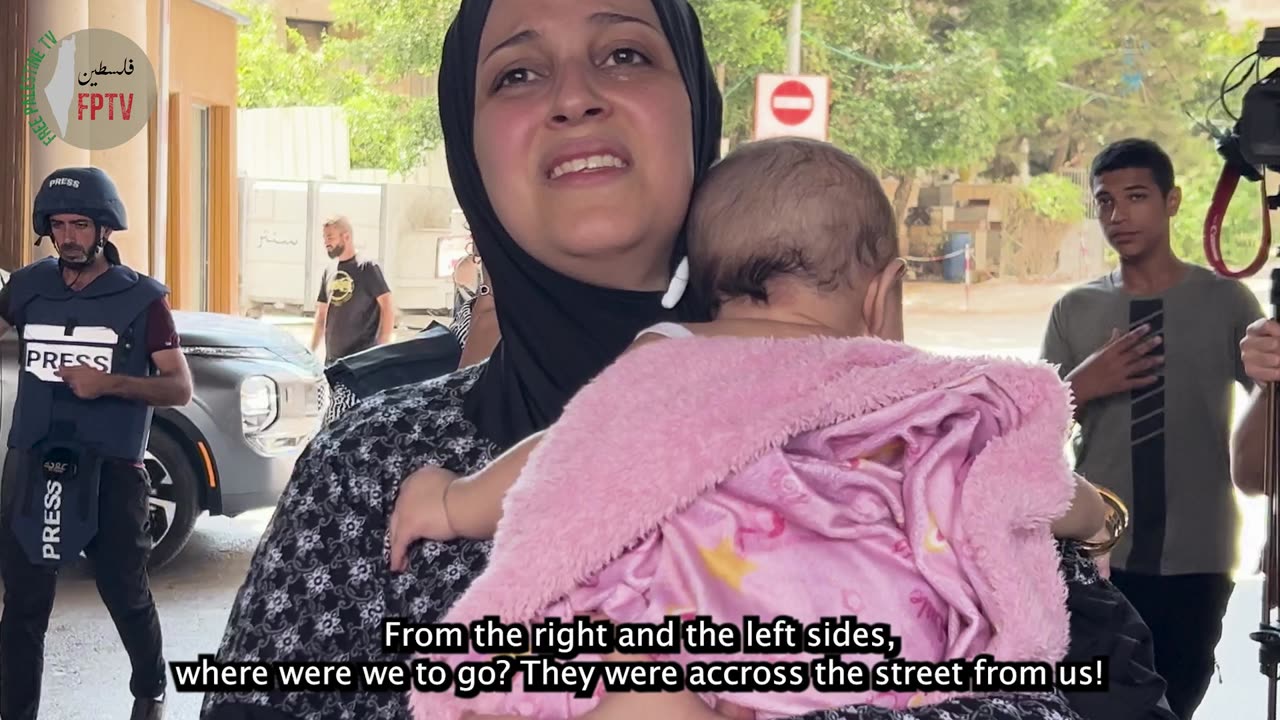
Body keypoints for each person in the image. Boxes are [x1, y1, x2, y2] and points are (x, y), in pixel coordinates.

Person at [201, 2, 1156, 720]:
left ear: (695, 110)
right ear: (468, 145)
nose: (575, 96)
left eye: (624, 54)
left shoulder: (909, 429)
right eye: (517, 74)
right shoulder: (371, 462)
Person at [1039, 138, 1263, 720]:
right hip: (1094, 557)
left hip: (1200, 555)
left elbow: (1271, 422)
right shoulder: (1075, 310)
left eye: (1136, 197)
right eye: (1105, 201)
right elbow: (1029, 441)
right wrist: (1081, 386)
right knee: (1093, 706)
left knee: (1176, 702)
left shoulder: (1227, 302)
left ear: (1173, 201)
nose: (1118, 215)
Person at [0, 167, 194, 720]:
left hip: (111, 467)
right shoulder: (28, 288)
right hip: (33, 462)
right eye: (59, 225)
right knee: (23, 606)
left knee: (124, 591)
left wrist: (107, 383)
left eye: (80, 224)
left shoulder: (141, 300)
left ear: (104, 228)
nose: (69, 236)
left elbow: (179, 388)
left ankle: (150, 687)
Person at [309, 215, 395, 363]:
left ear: (346, 237)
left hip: (361, 360)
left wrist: (382, 346)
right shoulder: (329, 271)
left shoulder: (367, 267)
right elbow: (321, 315)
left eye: (330, 237)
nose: (326, 243)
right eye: (324, 238)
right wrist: (310, 351)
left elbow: (387, 306)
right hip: (333, 361)